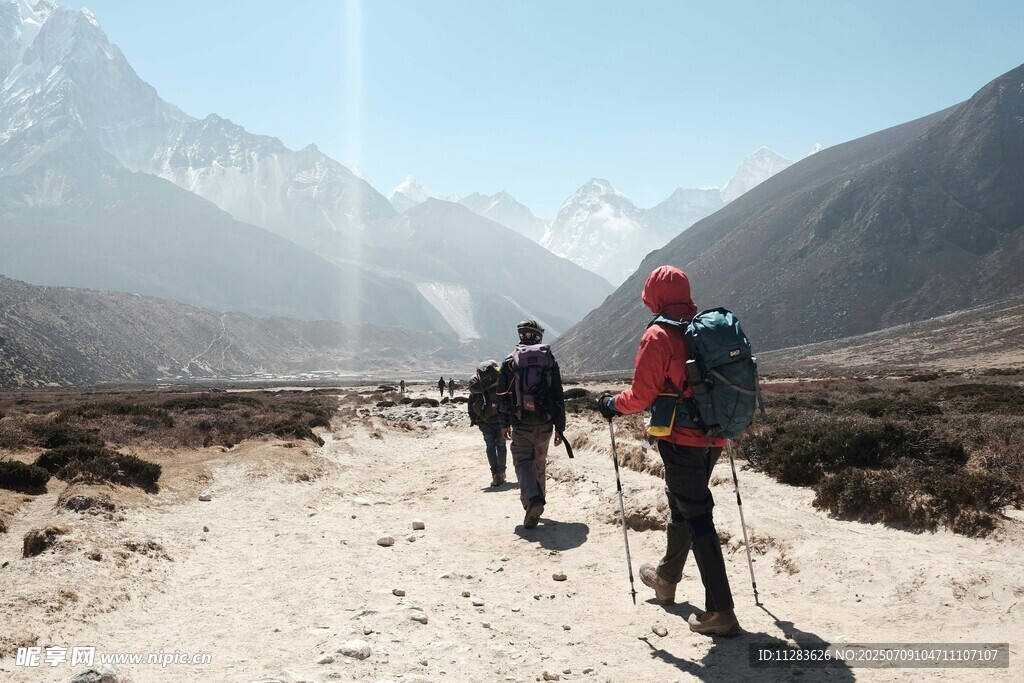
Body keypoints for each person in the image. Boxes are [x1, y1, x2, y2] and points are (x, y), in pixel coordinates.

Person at [598, 265, 738, 637]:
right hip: (715, 436)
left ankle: (720, 611)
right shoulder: (705, 330)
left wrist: (611, 404)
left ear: (655, 296)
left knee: (697, 517)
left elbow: (641, 395)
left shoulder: (659, 335)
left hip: (681, 439)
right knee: (685, 506)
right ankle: (666, 578)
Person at [497, 319, 566, 530]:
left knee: (522, 462)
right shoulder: (549, 360)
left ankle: (532, 502)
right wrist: (560, 427)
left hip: (521, 422)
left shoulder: (511, 362)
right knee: (539, 463)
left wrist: (504, 422)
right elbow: (558, 394)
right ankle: (539, 502)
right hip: (545, 423)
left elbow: (502, 395)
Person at [468, 360, 507, 487]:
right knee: (501, 446)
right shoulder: (499, 382)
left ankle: (495, 475)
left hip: (485, 421)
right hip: (500, 420)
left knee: (490, 446)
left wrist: (475, 420)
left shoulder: (478, 385)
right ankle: (502, 472)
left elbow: (471, 403)